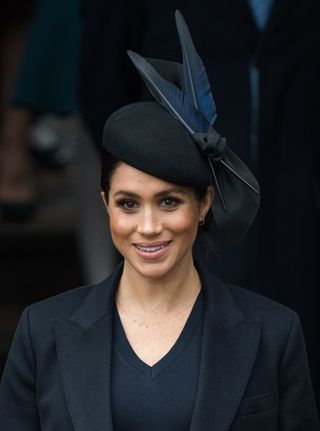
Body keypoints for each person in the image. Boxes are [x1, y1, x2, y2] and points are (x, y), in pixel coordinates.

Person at [0, 11, 319, 430]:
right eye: (128, 204)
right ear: (105, 204)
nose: (148, 226)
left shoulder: (274, 331)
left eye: (168, 202)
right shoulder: (42, 331)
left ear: (204, 204)